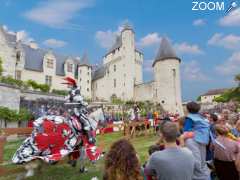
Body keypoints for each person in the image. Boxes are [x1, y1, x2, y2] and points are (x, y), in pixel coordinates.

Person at [183, 101, 210, 180]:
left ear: (188, 109)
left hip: (194, 139)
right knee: (202, 159)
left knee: (196, 159)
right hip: (203, 139)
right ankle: (204, 174)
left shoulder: (189, 118)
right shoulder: (200, 117)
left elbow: (186, 130)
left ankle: (198, 176)